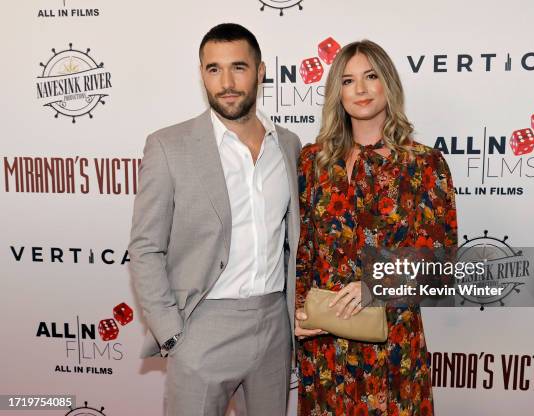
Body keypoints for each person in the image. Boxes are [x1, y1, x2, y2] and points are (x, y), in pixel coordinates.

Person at [128, 23, 302, 416]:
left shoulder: (288, 145)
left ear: (260, 72)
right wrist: (171, 334)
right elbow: (145, 247)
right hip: (202, 327)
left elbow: (292, 241)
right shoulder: (169, 146)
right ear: (202, 73)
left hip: (274, 326)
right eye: (213, 69)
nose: (226, 82)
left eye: (238, 68)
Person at [294, 40, 458, 415]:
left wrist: (375, 283)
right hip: (325, 345)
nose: (361, 89)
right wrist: (297, 311)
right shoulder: (312, 162)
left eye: (371, 76)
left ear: (388, 83)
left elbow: (442, 264)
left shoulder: (425, 164)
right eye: (349, 81)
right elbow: (301, 250)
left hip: (393, 345)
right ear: (338, 92)